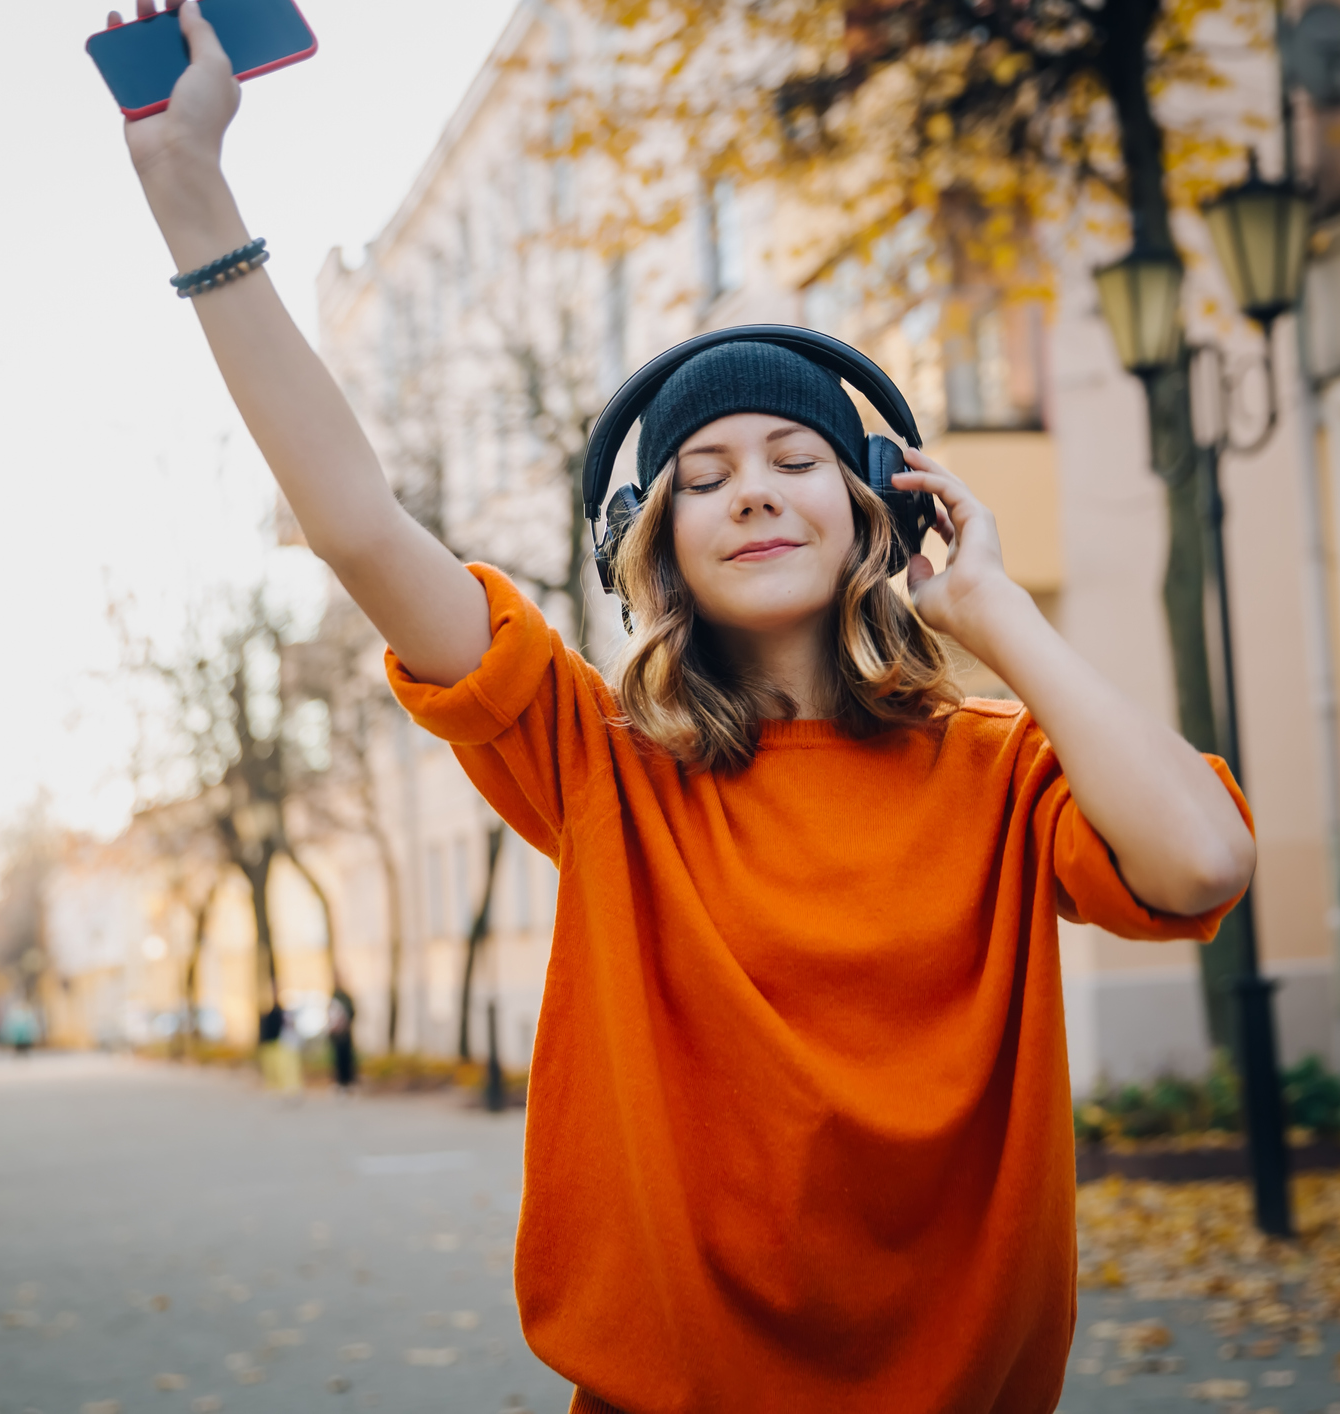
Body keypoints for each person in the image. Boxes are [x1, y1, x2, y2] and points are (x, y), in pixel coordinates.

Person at [108, 8, 1256, 1407]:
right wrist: (192, 195)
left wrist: (994, 615)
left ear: (873, 508)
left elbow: (1199, 859)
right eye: (700, 475)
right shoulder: (594, 761)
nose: (754, 487)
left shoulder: (1001, 770)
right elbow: (357, 527)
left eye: (794, 457)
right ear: (649, 545)